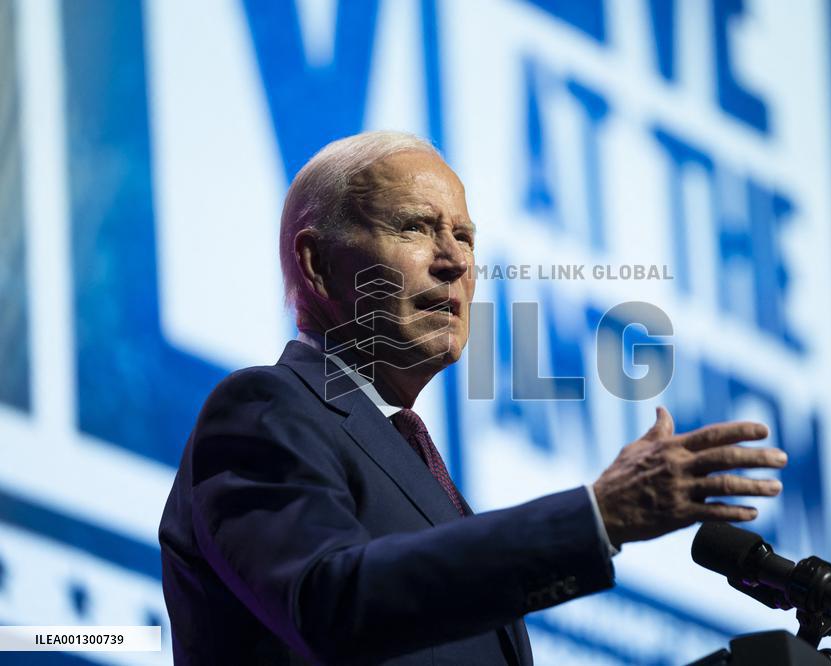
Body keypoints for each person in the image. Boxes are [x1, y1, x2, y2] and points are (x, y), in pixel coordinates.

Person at [158, 131, 787, 665]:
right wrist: (597, 517)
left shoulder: (420, 472)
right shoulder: (266, 409)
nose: (455, 262)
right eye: (416, 228)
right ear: (317, 264)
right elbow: (330, 603)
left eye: (466, 237)